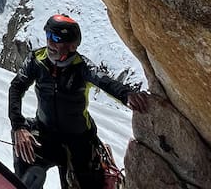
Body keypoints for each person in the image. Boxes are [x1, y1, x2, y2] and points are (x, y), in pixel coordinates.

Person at [8, 14, 149, 189]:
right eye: (48, 36)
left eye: (56, 38)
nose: (50, 43)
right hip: (46, 135)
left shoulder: (82, 67)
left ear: (71, 46)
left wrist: (127, 94)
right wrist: (18, 126)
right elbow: (16, 87)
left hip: (80, 142)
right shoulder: (37, 60)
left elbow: (105, 81)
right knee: (23, 145)